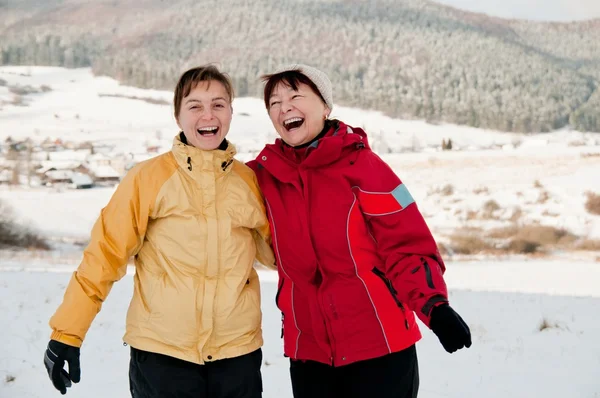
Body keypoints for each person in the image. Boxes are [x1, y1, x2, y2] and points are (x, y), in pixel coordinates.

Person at [43, 65, 274, 397]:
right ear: (178, 116)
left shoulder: (248, 182)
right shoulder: (147, 179)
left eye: (218, 104)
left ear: (231, 112)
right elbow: (104, 256)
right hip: (163, 358)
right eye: (195, 105)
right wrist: (67, 332)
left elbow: (282, 254)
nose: (208, 114)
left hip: (236, 357)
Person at [248, 64, 472, 398]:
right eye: (275, 103)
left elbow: (406, 244)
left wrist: (434, 307)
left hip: (380, 347)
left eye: (296, 96)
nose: (284, 108)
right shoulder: (263, 177)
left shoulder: (365, 168)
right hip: (310, 354)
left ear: (325, 106)